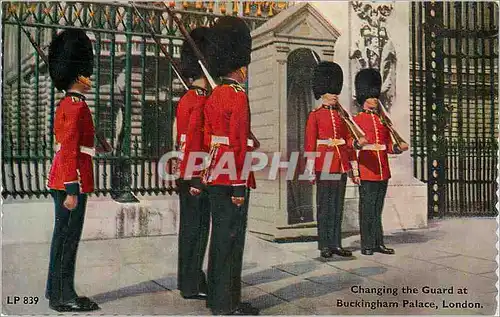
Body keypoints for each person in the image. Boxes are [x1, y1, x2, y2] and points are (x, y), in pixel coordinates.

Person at [202, 16, 259, 315]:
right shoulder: (238, 97)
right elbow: (237, 143)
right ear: (239, 65)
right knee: (232, 240)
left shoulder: (213, 95)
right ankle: (228, 304)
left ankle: (216, 299)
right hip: (232, 176)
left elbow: (213, 137)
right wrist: (239, 183)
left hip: (214, 172)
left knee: (220, 238)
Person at [45, 29, 100, 312]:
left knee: (62, 238)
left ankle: (55, 291)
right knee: (68, 240)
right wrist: (71, 188)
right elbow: (68, 150)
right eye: (87, 73)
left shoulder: (67, 104)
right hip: (71, 181)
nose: (90, 78)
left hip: (66, 178)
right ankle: (64, 295)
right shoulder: (76, 107)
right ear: (79, 75)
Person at [304, 61, 364, 259]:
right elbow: (310, 144)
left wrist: (354, 148)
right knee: (325, 205)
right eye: (331, 92)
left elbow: (347, 140)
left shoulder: (342, 117)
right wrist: (310, 169)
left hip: (340, 164)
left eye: (336, 91)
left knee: (337, 205)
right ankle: (324, 245)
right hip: (325, 163)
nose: (335, 95)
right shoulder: (315, 115)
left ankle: (336, 243)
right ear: (323, 93)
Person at [352, 68, 409, 256]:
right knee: (367, 208)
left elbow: (387, 146)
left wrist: (398, 148)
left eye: (375, 96)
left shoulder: (383, 121)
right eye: (371, 97)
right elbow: (352, 148)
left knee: (377, 209)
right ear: (363, 99)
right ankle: (367, 244)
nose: (374, 99)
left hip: (382, 170)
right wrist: (355, 171)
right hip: (367, 168)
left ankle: (378, 243)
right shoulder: (356, 121)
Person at [175, 26, 212, 300]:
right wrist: (198, 177)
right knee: (197, 231)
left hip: (185, 171)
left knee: (190, 229)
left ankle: (189, 278)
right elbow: (196, 143)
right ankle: (191, 283)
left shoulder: (187, 98)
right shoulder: (200, 101)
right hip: (196, 174)